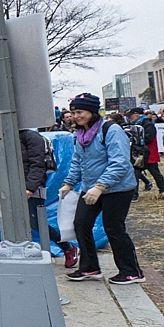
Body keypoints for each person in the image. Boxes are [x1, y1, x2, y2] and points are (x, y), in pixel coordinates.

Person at [61, 94, 144, 284]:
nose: (76, 116)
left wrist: (100, 186)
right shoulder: (80, 134)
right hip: (90, 187)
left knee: (114, 228)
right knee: (81, 223)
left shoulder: (111, 130)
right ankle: (89, 268)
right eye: (73, 112)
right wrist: (69, 183)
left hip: (117, 188)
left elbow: (120, 162)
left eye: (79, 112)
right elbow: (77, 161)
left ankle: (132, 271)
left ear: (92, 111)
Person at [17, 129, 78, 267]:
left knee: (37, 223)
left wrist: (30, 188)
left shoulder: (31, 137)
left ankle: (68, 248)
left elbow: (38, 165)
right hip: (12, 187)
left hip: (32, 188)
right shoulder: (4, 135)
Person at [126, 107, 164, 196]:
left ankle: (163, 190)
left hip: (149, 152)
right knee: (136, 173)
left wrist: (136, 141)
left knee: (155, 172)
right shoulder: (135, 125)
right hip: (139, 153)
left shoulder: (147, 124)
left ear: (137, 115)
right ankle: (134, 194)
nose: (129, 118)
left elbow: (149, 138)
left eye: (131, 115)